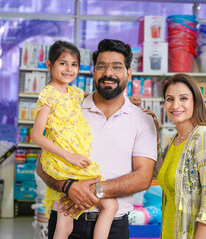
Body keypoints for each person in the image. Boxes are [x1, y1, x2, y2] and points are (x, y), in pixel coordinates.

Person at [36, 38, 158, 239]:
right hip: (66, 220)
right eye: (101, 67)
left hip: (114, 226)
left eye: (117, 67)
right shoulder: (70, 108)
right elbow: (42, 166)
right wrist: (68, 187)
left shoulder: (142, 120)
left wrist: (91, 191)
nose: (108, 73)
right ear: (93, 72)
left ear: (128, 73)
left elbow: (143, 178)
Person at [31, 40, 119, 239]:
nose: (69, 69)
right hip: (65, 163)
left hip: (75, 162)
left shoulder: (75, 93)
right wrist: (69, 156)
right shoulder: (48, 96)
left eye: (74, 64)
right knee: (109, 205)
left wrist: (130, 104)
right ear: (49, 65)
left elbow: (101, 98)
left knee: (66, 218)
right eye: (63, 63)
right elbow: (36, 135)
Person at [157, 73, 206, 239]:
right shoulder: (173, 142)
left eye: (183, 98)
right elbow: (155, 172)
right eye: (169, 99)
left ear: (196, 102)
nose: (175, 105)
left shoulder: (205, 136)